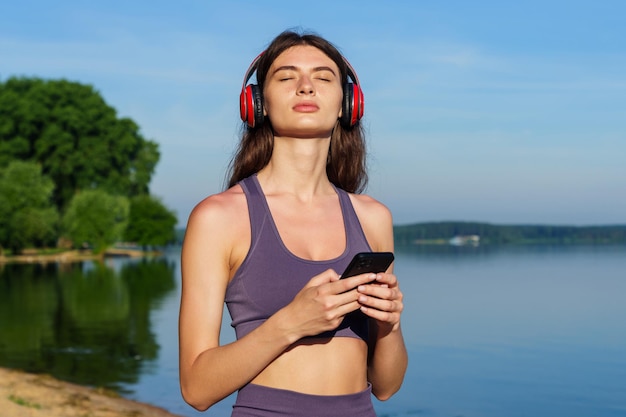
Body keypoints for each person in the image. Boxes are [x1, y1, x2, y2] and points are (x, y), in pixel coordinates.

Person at [179, 29, 408, 417]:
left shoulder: (373, 217)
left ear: (347, 104)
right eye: (286, 77)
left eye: (323, 77)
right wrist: (292, 322)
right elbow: (196, 389)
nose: (306, 87)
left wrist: (390, 326)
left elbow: (386, 387)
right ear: (258, 104)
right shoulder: (219, 217)